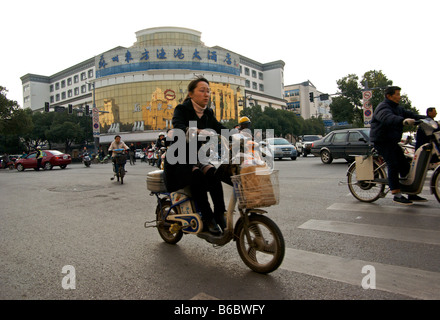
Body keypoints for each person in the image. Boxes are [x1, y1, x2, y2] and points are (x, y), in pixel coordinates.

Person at [164, 76, 226, 235]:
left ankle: (220, 213)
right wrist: (198, 131)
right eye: (202, 90)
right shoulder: (181, 109)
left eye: (208, 91)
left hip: (197, 156)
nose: (206, 94)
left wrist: (240, 135)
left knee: (213, 173)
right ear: (191, 94)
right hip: (179, 159)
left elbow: (220, 128)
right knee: (197, 175)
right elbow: (178, 128)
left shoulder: (208, 113)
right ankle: (208, 218)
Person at [370, 86, 426, 205]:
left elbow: (411, 114)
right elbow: (387, 118)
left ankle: (411, 192)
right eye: (397, 94)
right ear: (389, 96)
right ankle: (396, 193)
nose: (399, 96)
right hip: (382, 141)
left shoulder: (398, 108)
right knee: (393, 163)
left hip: (392, 141)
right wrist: (402, 121)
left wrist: (427, 119)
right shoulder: (383, 107)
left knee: (405, 165)